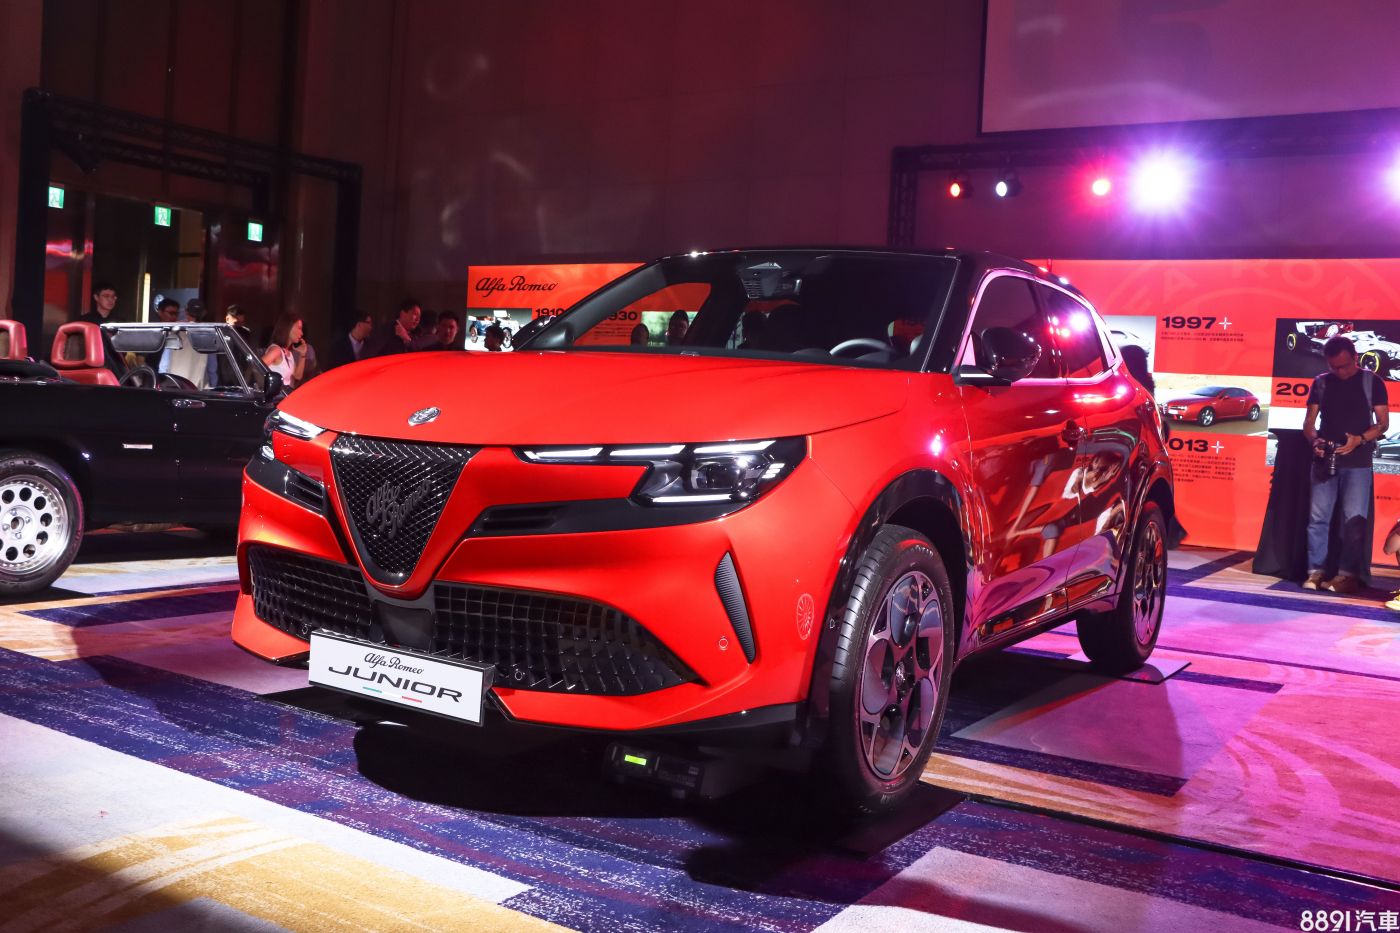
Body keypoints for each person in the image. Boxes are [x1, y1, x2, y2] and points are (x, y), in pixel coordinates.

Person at [1302, 336, 1389, 594]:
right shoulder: (1321, 382)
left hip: (1358, 462)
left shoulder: (1372, 381)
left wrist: (1359, 440)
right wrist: (1315, 441)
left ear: (1355, 358)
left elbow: (1383, 423)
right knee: (1318, 519)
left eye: (1344, 366)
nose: (1340, 371)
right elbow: (1308, 422)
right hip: (1324, 460)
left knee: (1354, 520)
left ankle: (1347, 575)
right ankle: (1315, 571)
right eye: (1334, 367)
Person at [79, 281, 124, 377]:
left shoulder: (121, 322)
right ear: (96, 297)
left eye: (113, 296)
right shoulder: (85, 321)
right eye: (106, 296)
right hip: (91, 364)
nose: (110, 300)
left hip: (117, 367)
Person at [262, 313, 310, 390]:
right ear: (288, 328)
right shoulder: (276, 350)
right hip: (276, 396)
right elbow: (256, 367)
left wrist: (303, 354)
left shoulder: (288, 353)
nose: (302, 333)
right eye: (299, 328)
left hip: (285, 395)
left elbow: (298, 376)